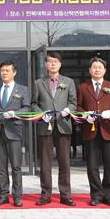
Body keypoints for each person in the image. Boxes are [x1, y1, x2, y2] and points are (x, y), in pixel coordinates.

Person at [77, 57, 110, 206]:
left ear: (105, 70)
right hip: (90, 130)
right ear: (90, 70)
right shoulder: (83, 87)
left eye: (99, 67)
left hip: (109, 130)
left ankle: (109, 195)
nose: (97, 69)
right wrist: (85, 115)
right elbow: (78, 106)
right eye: (94, 67)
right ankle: (96, 195)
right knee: (92, 166)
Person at [31, 52, 77, 206]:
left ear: (60, 64)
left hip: (63, 125)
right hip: (45, 126)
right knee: (45, 163)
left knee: (64, 162)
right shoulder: (38, 83)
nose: (52, 64)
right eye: (50, 61)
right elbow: (33, 103)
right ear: (45, 64)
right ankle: (45, 195)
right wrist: (40, 113)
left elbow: (73, 102)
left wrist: (68, 110)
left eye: (55, 61)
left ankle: (65, 195)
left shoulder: (69, 82)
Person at [0, 61, 30, 207]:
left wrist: (15, 113)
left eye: (7, 70)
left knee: (16, 167)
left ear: (14, 72)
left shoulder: (22, 89)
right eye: (2, 70)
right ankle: (3, 195)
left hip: (14, 131)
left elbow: (27, 108)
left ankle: (17, 196)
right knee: (1, 167)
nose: (4, 73)